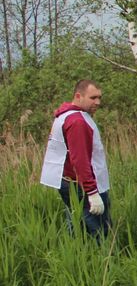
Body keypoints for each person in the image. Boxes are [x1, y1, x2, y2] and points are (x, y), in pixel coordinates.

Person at [39, 79, 112, 240]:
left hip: (67, 180)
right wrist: (92, 192)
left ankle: (77, 251)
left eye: (99, 97)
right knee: (99, 230)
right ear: (78, 96)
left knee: (76, 226)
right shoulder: (77, 121)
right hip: (79, 184)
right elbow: (80, 160)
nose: (98, 102)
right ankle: (102, 254)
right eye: (93, 98)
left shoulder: (65, 115)